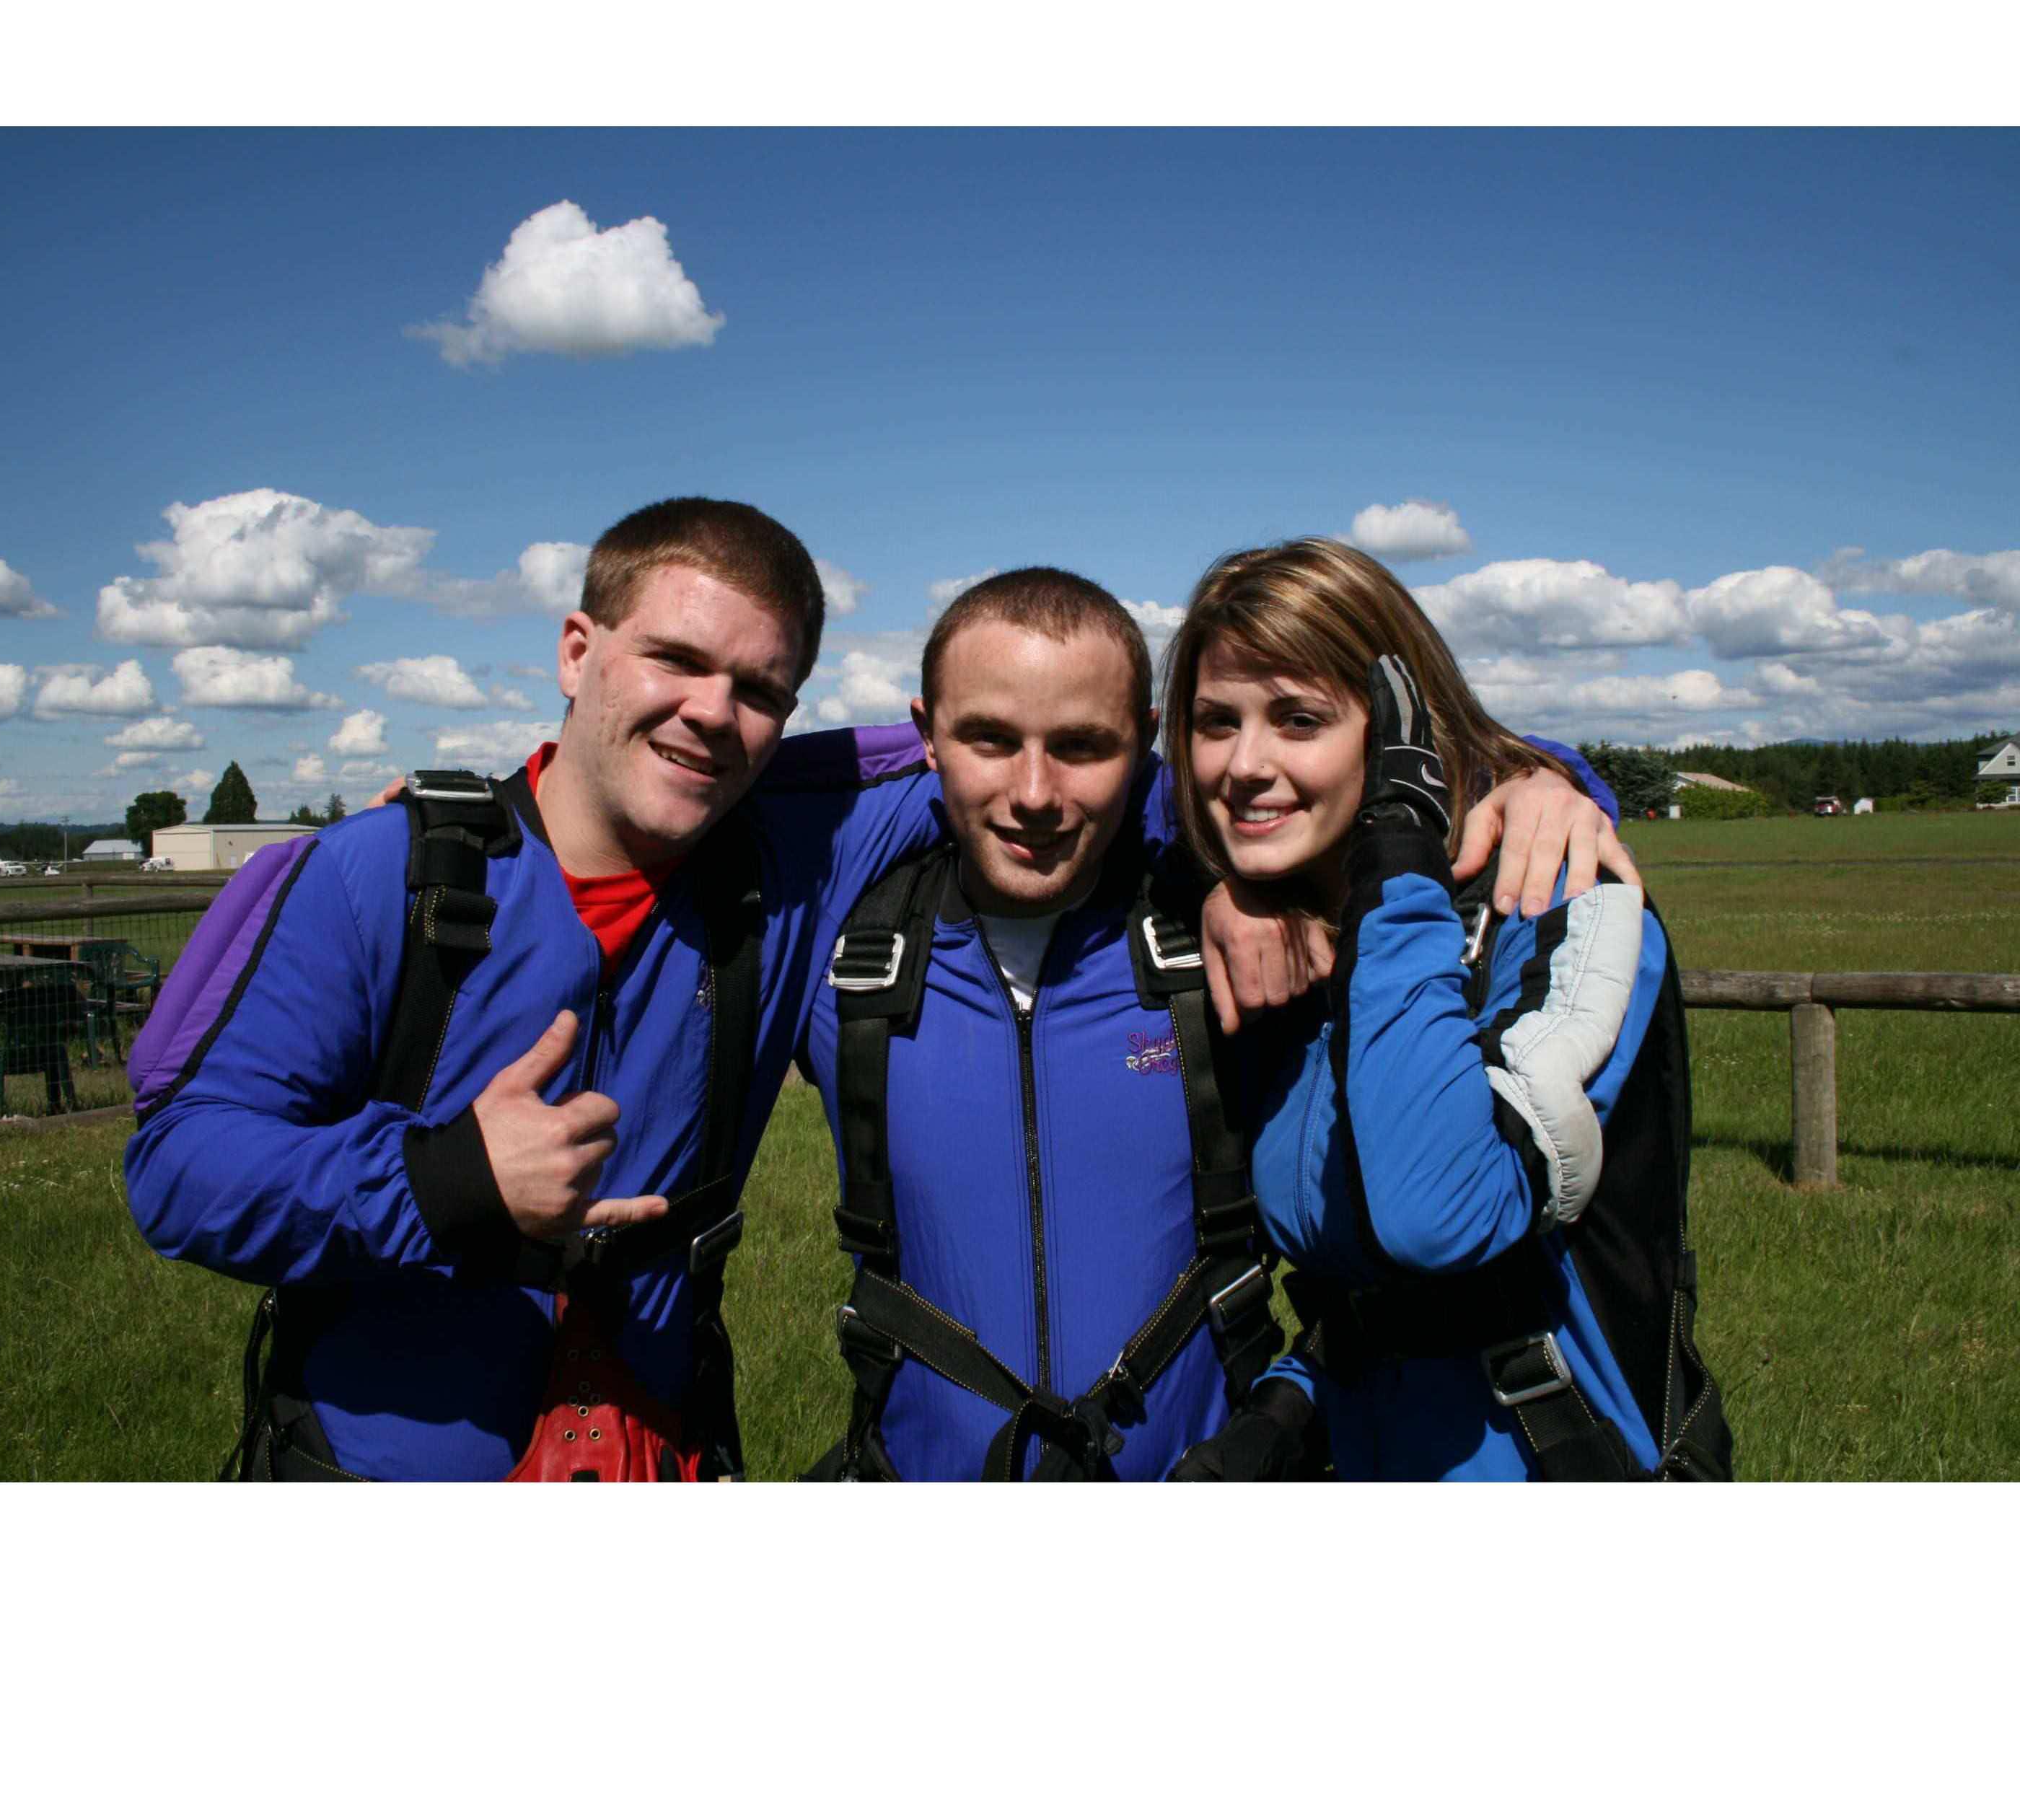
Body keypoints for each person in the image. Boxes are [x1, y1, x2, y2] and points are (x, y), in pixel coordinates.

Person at [126, 497, 951, 1481]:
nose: (713, 712)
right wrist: (443, 1182)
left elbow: (1028, 749)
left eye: (761, 691)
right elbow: (177, 1167)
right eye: (675, 661)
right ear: (574, 652)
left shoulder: (778, 873)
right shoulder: (386, 880)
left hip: (663, 1448)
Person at [797, 567, 1641, 1481]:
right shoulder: (833, 941)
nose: (1034, 791)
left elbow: (1346, 748)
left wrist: (1537, 777)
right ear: (925, 736)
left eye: (1083, 744)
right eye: (989, 739)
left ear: (1143, 747)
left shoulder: (1230, 947)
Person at [1159, 538, 1731, 1481]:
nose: (1245, 764)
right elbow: (1028, 772)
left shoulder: (1565, 906)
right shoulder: (1306, 931)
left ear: (1398, 737)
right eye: (1215, 723)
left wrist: (1398, 853)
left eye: (1299, 720)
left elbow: (1440, 1214)